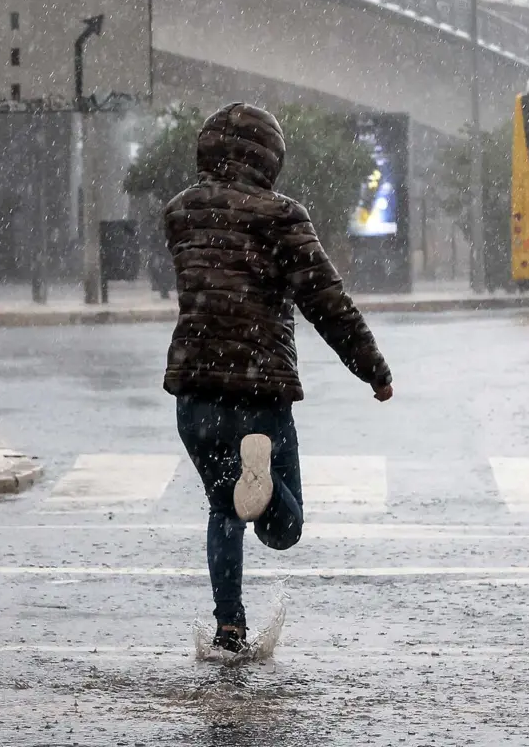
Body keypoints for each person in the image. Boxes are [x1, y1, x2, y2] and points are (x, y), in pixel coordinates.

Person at [163, 102, 394, 656]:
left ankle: (229, 628)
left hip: (195, 386)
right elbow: (326, 301)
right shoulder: (281, 215)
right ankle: (262, 493)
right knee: (281, 530)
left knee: (223, 510)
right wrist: (373, 370)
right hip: (258, 389)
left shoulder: (179, 212)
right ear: (270, 159)